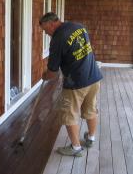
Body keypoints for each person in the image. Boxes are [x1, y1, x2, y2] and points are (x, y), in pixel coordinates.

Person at [39, 12, 103, 157]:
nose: (46, 33)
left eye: (45, 29)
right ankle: (91, 138)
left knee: (69, 114)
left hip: (76, 82)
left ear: (51, 24)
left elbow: (53, 73)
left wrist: (44, 76)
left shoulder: (57, 39)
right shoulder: (78, 27)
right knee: (90, 108)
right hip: (93, 76)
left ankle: (75, 148)